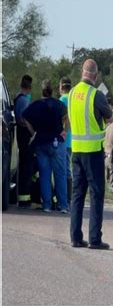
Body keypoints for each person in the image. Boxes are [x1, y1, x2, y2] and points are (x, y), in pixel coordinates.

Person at [69, 59, 112, 250]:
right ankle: (95, 239)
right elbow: (109, 117)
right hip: (93, 152)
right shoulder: (96, 95)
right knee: (96, 194)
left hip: (76, 151)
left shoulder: (71, 93)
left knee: (77, 195)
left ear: (82, 72)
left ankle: (75, 237)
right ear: (95, 76)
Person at [22, 80, 69, 213]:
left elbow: (24, 117)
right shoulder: (59, 105)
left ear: (41, 90)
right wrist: (64, 131)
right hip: (56, 142)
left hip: (41, 143)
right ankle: (63, 205)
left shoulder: (35, 105)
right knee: (60, 174)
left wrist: (33, 132)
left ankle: (47, 205)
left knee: (44, 175)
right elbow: (66, 118)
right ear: (52, 91)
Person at [14, 74, 34, 207]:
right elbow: (25, 120)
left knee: (24, 165)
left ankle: (23, 197)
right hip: (25, 135)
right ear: (29, 88)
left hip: (20, 135)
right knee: (27, 166)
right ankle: (25, 198)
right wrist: (33, 132)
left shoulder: (17, 98)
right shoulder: (24, 100)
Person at [59, 76, 73, 205]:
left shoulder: (62, 100)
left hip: (63, 139)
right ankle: (69, 197)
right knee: (69, 168)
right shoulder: (74, 99)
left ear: (62, 87)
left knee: (64, 170)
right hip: (74, 140)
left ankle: (67, 198)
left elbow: (61, 119)